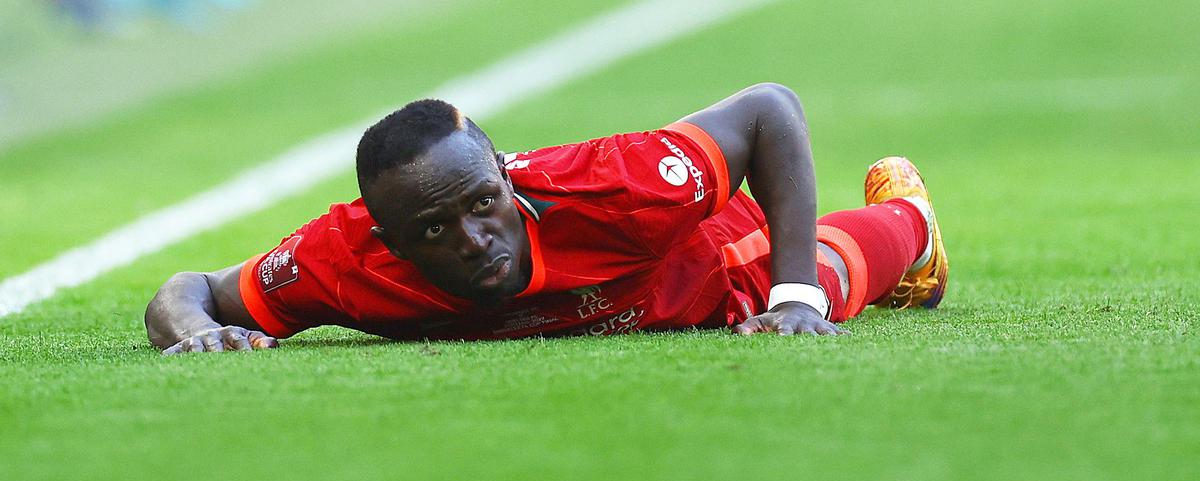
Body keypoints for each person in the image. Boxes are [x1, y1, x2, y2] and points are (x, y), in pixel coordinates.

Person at [145, 83, 948, 353]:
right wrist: (200, 334)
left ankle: (909, 217)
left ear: (504, 178)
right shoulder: (342, 259)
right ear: (386, 239)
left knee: (839, 274)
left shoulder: (617, 187)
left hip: (708, 267)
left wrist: (795, 300)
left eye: (481, 205)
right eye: (433, 231)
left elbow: (770, 109)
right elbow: (187, 293)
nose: (472, 239)